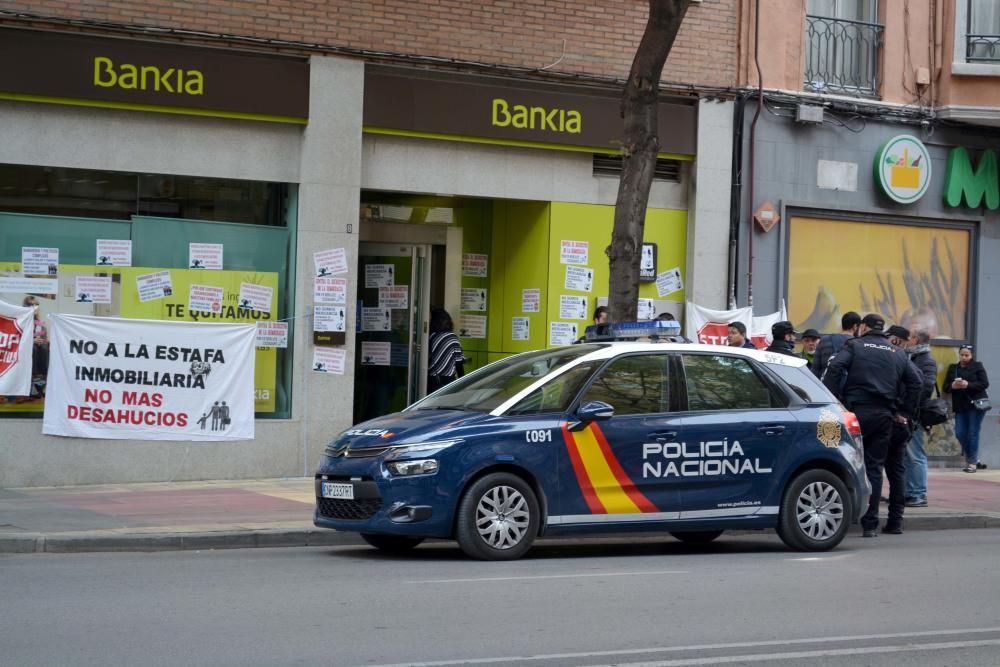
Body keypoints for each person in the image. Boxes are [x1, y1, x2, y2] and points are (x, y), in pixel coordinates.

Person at [824, 313, 921, 537]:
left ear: (864, 327)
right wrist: (905, 411)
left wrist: (834, 400)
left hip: (856, 413)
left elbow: (835, 368)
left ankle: (850, 517)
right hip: (885, 415)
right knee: (875, 469)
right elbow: (916, 382)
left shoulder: (855, 345)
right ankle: (871, 524)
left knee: (845, 463)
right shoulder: (897, 352)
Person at [944, 344, 990, 473]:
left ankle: (972, 464)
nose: (964, 357)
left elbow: (984, 383)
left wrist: (968, 384)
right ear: (959, 354)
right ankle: (975, 459)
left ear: (972, 355)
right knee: (959, 433)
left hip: (975, 405)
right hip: (960, 406)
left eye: (967, 355)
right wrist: (953, 385)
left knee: (973, 433)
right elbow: (945, 387)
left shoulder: (977, 366)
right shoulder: (953, 368)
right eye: (962, 354)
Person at [904, 329, 937, 507]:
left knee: (915, 454)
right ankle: (909, 492)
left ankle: (918, 494)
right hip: (910, 412)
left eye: (910, 338)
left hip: (915, 413)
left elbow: (926, 387)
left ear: (916, 340)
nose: (907, 341)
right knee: (906, 454)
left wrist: (909, 405)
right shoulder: (912, 357)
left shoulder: (926, 360)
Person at [813, 311, 861, 379]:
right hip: (848, 388)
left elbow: (815, 369)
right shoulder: (859, 344)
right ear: (855, 326)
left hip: (825, 386)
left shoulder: (824, 340)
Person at [428, 308, 466, 392]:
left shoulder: (430, 336)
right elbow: (459, 363)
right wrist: (463, 382)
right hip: (447, 380)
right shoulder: (451, 337)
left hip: (429, 379)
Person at [23, 296, 49, 398]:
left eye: (35, 305)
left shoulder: (40, 323)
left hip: (39, 348)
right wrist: (31, 341)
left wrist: (42, 340)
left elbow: (45, 338)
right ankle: (33, 381)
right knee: (32, 348)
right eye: (30, 305)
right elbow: (17, 338)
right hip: (24, 348)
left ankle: (41, 379)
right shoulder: (21, 321)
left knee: (45, 347)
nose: (34, 307)